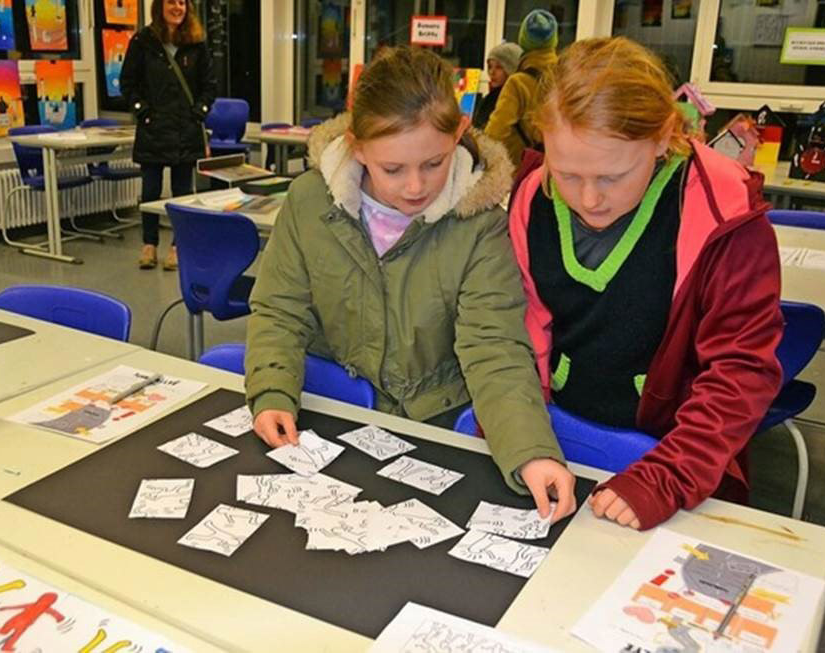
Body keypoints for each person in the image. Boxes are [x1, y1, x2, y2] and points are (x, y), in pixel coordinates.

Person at [245, 46, 576, 523]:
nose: (416, 187)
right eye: (393, 169)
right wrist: (273, 390)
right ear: (358, 148)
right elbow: (280, 309)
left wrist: (530, 450)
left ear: (460, 133)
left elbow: (496, 348)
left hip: (436, 429)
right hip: (331, 418)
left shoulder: (479, 223)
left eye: (434, 163)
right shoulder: (309, 200)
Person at [508, 37, 783, 530]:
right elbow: (516, 338)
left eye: (613, 176)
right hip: (556, 448)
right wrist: (523, 439)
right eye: (567, 174)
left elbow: (741, 372)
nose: (589, 199)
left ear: (663, 138)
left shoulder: (726, 216)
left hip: (678, 465)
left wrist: (666, 476)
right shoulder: (530, 199)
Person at [120, 0, 215, 271]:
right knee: (150, 192)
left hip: (186, 130)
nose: (178, 8)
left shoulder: (197, 43)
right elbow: (128, 83)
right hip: (153, 129)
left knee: (182, 193)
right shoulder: (142, 41)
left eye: (182, 3)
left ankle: (177, 246)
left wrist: (199, 112)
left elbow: (209, 86)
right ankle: (149, 245)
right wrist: (143, 113)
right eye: (172, 2)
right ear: (160, 7)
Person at [484, 9, 558, 171]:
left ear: (523, 39)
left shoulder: (518, 83)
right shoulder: (566, 78)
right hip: (560, 168)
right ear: (553, 40)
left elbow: (495, 132)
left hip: (524, 169)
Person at [472, 42, 521, 130]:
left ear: (512, 69)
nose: (492, 72)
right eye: (490, 67)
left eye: (499, 67)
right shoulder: (489, 99)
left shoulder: (513, 101)